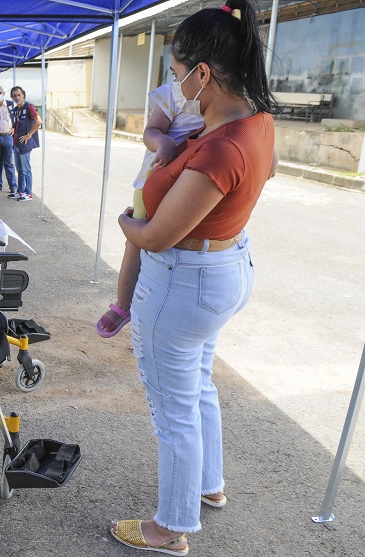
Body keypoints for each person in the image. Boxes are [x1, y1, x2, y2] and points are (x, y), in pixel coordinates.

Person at [109, 1, 277, 554]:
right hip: (223, 268)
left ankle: (169, 528)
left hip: (184, 282)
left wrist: (125, 223)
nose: (174, 84)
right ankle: (210, 486)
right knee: (198, 385)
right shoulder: (255, 124)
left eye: (179, 73)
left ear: (204, 74)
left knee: (173, 411)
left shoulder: (220, 147)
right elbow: (262, 173)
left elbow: (156, 235)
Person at [96, 83, 205, 337]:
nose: (175, 75)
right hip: (153, 178)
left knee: (179, 247)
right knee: (136, 241)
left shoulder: (225, 96)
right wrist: (162, 141)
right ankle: (123, 305)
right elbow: (151, 131)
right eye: (175, 72)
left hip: (191, 184)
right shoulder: (174, 93)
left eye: (177, 69)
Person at [9, 86, 42, 202]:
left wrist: (29, 134)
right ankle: (20, 191)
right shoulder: (16, 110)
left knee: (26, 169)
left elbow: (39, 121)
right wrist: (12, 130)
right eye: (14, 96)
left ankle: (28, 193)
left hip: (25, 144)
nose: (17, 97)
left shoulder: (29, 107)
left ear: (23, 95)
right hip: (16, 143)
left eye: (19, 95)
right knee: (19, 169)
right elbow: (16, 125)